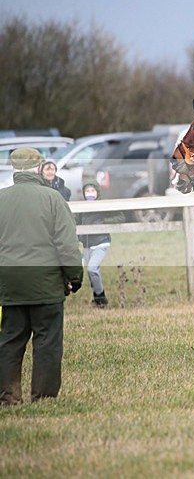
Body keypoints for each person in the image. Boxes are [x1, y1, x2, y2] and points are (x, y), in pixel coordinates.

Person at [0, 148, 83, 406]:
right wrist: (74, 276)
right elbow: (66, 244)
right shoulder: (53, 198)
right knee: (47, 341)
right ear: (39, 168)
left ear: (14, 169)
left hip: (10, 284)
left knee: (10, 340)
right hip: (46, 282)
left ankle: (8, 396)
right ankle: (44, 397)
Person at [75, 181, 124, 307]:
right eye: (87, 191)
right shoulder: (80, 208)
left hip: (102, 242)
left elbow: (120, 217)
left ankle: (101, 299)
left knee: (92, 268)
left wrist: (104, 222)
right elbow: (75, 223)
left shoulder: (104, 205)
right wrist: (79, 237)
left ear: (98, 192)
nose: (90, 193)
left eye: (92, 191)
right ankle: (98, 299)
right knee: (91, 273)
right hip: (87, 244)